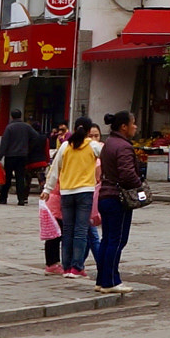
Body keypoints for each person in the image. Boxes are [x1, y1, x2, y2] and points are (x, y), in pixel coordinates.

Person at [94, 112, 144, 294]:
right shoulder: (123, 146)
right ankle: (111, 281)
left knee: (107, 240)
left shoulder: (109, 144)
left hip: (105, 196)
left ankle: (102, 279)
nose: (135, 127)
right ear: (124, 126)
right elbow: (127, 174)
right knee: (117, 240)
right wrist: (139, 186)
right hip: (117, 198)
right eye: (133, 123)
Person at [47, 117, 103, 281]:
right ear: (87, 131)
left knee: (68, 231)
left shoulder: (65, 145)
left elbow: (54, 169)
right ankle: (77, 267)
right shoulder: (92, 145)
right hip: (85, 192)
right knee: (80, 231)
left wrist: (47, 189)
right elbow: (107, 158)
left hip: (66, 192)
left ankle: (66, 267)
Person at [0, 110, 43, 206]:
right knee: (20, 178)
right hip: (22, 156)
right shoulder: (27, 126)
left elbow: (4, 143)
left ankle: (3, 198)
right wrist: (28, 147)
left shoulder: (9, 127)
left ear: (11, 117)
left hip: (10, 156)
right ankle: (21, 199)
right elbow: (36, 136)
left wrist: (0, 156)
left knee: (7, 178)